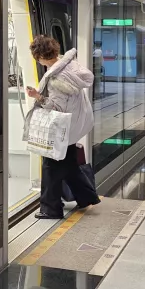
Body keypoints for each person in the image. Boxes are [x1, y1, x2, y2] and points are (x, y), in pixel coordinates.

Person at [26, 35, 100, 219]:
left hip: (62, 129)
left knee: (50, 167)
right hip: (75, 125)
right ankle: (86, 196)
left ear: (40, 57)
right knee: (69, 165)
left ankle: (50, 209)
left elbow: (56, 107)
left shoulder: (56, 79)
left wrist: (37, 96)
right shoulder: (71, 66)